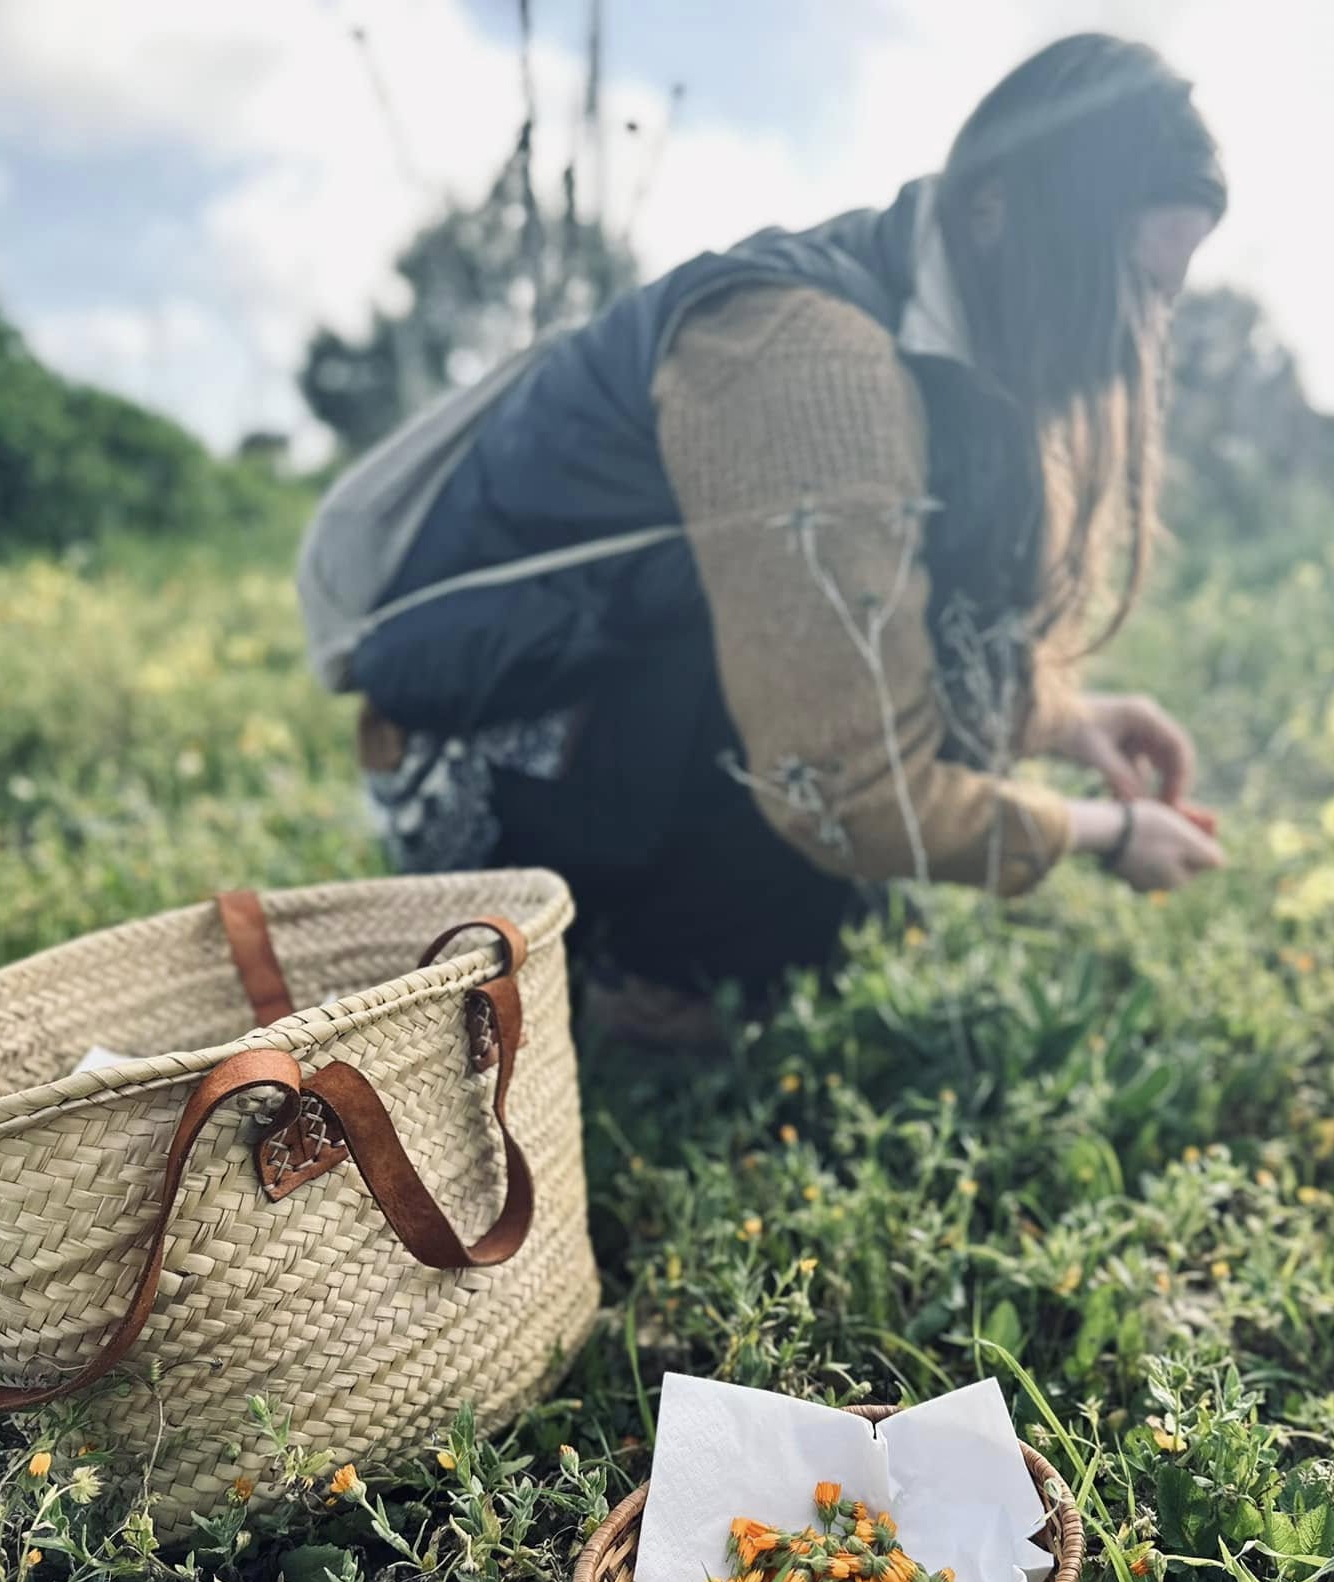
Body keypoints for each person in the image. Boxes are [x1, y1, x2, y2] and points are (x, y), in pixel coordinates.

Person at [348, 33, 1228, 1046]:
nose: (1140, 333)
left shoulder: (925, 319)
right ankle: (640, 978)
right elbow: (848, 790)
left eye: (1164, 295)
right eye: (1122, 285)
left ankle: (707, 943)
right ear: (999, 215)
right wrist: (1104, 833)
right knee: (817, 692)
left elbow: (914, 628)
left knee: (829, 660)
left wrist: (1065, 719)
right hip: (485, 795)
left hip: (592, 726)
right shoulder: (811, 358)